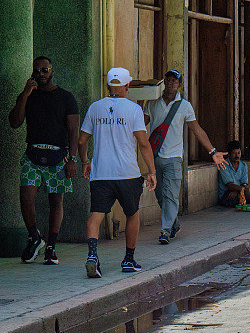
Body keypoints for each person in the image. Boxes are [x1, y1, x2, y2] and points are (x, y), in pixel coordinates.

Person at [78, 68, 156, 278]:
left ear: (107, 86)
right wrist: (151, 171)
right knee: (132, 214)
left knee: (95, 215)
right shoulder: (134, 110)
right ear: (127, 86)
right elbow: (143, 144)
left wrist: (85, 161)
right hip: (127, 174)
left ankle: (93, 256)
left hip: (101, 173)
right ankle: (129, 260)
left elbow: (81, 140)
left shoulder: (95, 108)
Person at [8, 56, 79, 265]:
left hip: (59, 156)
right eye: (37, 71)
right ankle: (35, 237)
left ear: (52, 71)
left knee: (56, 202)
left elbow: (74, 130)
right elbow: (15, 122)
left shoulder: (66, 97)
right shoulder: (28, 96)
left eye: (44, 70)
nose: (41, 74)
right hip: (32, 155)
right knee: (26, 197)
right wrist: (24, 95)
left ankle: (51, 247)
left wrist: (72, 159)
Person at [143, 70, 226, 245]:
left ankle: (165, 231)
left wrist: (212, 152)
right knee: (160, 195)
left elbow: (197, 130)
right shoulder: (152, 103)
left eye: (174, 80)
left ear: (179, 84)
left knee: (171, 196)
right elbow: (140, 126)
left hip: (174, 158)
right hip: (155, 156)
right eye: (168, 79)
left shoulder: (184, 106)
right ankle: (174, 223)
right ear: (164, 82)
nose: (171, 82)